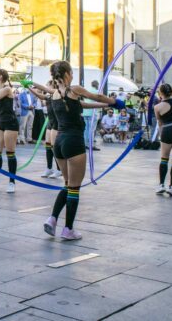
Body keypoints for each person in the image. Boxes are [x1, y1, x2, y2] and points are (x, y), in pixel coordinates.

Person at [41, 61, 119, 240]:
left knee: (68, 184)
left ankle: (52, 219)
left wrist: (105, 107)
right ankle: (68, 229)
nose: (73, 75)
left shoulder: (54, 95)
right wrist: (116, 102)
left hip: (59, 143)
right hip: (73, 141)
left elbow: (81, 106)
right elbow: (98, 96)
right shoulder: (74, 89)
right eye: (71, 72)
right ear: (67, 73)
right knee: (74, 188)